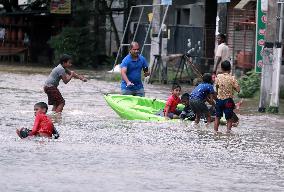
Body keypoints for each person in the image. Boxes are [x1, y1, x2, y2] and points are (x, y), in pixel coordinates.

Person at [214, 60, 240, 133]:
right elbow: (238, 90)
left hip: (219, 100)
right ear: (230, 69)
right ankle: (228, 132)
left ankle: (215, 132)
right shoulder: (232, 78)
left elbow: (216, 87)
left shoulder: (218, 77)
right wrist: (234, 88)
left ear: (221, 68)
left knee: (217, 117)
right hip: (228, 101)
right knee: (229, 118)